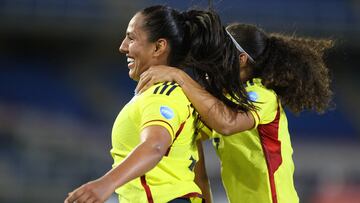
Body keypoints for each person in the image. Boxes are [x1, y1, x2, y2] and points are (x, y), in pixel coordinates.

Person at [64, 6, 256, 203]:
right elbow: (197, 172)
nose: (122, 46)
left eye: (131, 38)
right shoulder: (171, 94)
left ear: (158, 47)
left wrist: (106, 184)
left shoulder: (163, 94)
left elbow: (155, 146)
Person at [136, 23, 334, 203]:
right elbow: (192, 136)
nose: (215, 59)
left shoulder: (262, 95)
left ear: (241, 59)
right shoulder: (224, 98)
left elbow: (227, 123)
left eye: (222, 53)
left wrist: (178, 76)